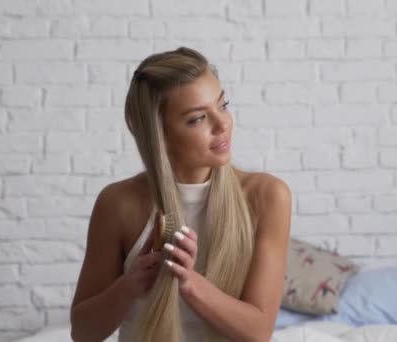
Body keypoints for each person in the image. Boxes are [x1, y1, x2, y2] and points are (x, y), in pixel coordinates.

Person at [69, 46, 292, 342]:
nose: (222, 124)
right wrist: (130, 284)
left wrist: (189, 284)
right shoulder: (118, 204)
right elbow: (83, 333)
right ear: (160, 134)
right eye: (198, 118)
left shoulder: (267, 196)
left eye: (223, 105)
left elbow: (258, 332)